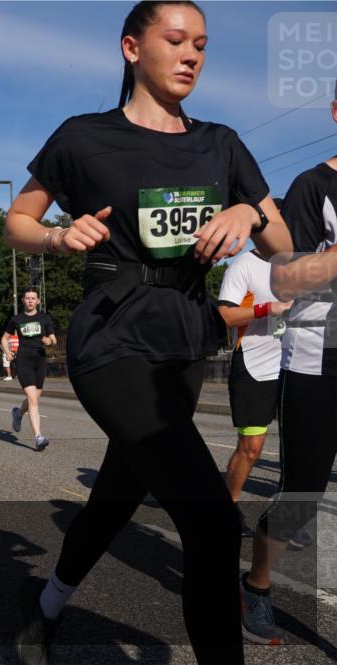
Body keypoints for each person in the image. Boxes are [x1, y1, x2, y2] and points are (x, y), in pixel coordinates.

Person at [3, 3, 293, 663]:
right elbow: (17, 219)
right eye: (176, 40)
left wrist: (249, 209)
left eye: (202, 45)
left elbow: (283, 243)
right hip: (112, 338)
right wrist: (56, 234)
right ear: (132, 48)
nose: (192, 54)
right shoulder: (83, 137)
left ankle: (44, 606)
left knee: (117, 494)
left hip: (186, 341)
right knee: (214, 523)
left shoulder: (222, 143)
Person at [240, 88, 337, 645]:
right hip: (317, 356)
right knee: (302, 493)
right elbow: (282, 280)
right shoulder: (311, 187)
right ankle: (257, 583)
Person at [217, 248, 290, 528]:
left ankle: (286, 518)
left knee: (296, 449)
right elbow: (225, 315)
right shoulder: (244, 264)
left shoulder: (303, 265)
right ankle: (227, 507)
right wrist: (267, 308)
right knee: (251, 448)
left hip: (292, 366)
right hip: (254, 366)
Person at [4, 289, 57, 451]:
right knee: (33, 399)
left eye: (33, 298)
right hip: (23, 360)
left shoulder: (44, 318)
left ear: (38, 301)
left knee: (35, 398)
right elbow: (4, 338)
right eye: (27, 298)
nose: (30, 301)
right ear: (23, 300)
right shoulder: (16, 319)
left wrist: (50, 341)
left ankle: (18, 414)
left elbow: (54, 339)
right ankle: (38, 437)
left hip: (40, 360)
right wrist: (7, 352)